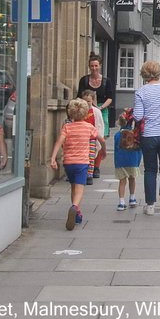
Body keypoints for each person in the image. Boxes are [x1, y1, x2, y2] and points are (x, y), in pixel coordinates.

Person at [49, 98, 106, 230]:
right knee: (80, 188)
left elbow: (59, 142)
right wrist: (103, 150)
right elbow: (101, 140)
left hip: (68, 163)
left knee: (73, 186)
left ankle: (77, 213)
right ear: (86, 114)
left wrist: (53, 158)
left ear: (71, 113)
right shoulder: (89, 127)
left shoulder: (67, 127)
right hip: (82, 163)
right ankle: (74, 207)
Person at [135, 60, 160, 217]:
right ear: (159, 73)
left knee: (150, 169)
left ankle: (150, 206)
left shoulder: (140, 92)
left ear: (144, 74)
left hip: (149, 135)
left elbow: (138, 116)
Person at [114, 108, 142, 211]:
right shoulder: (134, 135)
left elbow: (116, 150)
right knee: (132, 179)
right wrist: (137, 162)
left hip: (120, 162)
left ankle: (121, 202)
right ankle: (132, 198)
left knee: (122, 182)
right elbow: (139, 150)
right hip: (132, 161)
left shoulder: (117, 135)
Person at [77, 53, 115, 129]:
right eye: (92, 66)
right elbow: (79, 96)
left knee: (102, 129)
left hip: (102, 108)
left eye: (96, 66)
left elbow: (110, 98)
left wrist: (100, 108)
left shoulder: (106, 81)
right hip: (87, 108)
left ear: (100, 66)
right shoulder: (84, 80)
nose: (94, 68)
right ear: (89, 67)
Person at [80, 90, 106, 180]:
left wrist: (99, 136)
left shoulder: (96, 112)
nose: (86, 103)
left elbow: (100, 125)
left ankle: (90, 174)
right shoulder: (80, 111)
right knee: (82, 156)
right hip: (82, 137)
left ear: (92, 101)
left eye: (89, 101)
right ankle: (83, 172)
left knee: (91, 156)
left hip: (92, 137)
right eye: (84, 101)